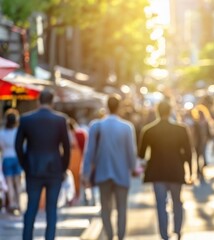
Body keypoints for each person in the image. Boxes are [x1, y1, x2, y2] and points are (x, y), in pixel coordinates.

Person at [15, 88, 70, 240]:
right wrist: (63, 168)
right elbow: (66, 146)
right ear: (52, 102)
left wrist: (25, 164)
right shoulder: (60, 120)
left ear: (39, 101)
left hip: (33, 169)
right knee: (51, 209)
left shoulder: (26, 119)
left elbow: (18, 145)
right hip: (54, 169)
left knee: (31, 207)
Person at [81, 94, 138, 240]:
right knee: (122, 209)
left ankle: (110, 235)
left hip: (103, 173)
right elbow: (131, 152)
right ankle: (120, 236)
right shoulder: (127, 127)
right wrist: (133, 168)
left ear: (106, 107)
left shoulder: (96, 126)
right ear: (119, 107)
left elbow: (89, 152)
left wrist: (85, 173)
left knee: (105, 208)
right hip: (122, 174)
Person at [139, 100, 192, 240]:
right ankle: (178, 230)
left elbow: (141, 154)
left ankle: (164, 235)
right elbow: (188, 152)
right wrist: (191, 172)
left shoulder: (148, 130)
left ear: (157, 112)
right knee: (177, 202)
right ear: (170, 111)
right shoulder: (181, 129)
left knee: (161, 205)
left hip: (157, 172)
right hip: (176, 170)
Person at [0, 108, 22, 215]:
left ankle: (12, 204)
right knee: (17, 183)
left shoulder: (2, 133)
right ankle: (18, 204)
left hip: (7, 157)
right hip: (17, 157)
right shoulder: (18, 132)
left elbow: (1, 146)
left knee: (9, 183)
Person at [191, 104, 213, 180]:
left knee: (203, 156)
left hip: (204, 142)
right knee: (197, 156)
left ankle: (202, 169)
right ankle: (198, 171)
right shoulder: (196, 122)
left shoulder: (206, 122)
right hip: (197, 142)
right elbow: (193, 133)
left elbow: (209, 132)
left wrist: (209, 138)